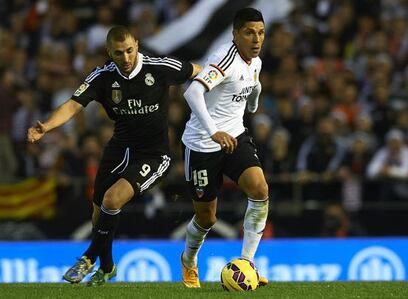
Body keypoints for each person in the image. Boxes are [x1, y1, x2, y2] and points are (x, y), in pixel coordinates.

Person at [27, 25, 201, 286]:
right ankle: (107, 267)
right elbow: (74, 104)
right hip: (118, 149)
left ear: (137, 46)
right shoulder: (102, 76)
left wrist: (217, 91)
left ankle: (88, 258)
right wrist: (47, 126)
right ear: (109, 52)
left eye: (130, 50)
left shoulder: (159, 67)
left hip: (153, 155)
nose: (126, 58)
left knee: (112, 199)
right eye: (119, 53)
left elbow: (198, 71)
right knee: (99, 213)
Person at [180, 8, 269, 288]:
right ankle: (188, 260)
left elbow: (253, 84)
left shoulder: (255, 62)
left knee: (260, 189)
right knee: (206, 218)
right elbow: (192, 92)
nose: (256, 39)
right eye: (249, 33)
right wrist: (213, 131)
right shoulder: (224, 58)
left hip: (235, 137)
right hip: (202, 145)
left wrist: (253, 102)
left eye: (261, 33)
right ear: (235, 35)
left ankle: (248, 264)